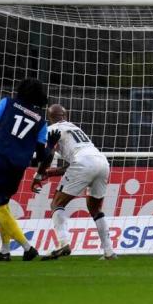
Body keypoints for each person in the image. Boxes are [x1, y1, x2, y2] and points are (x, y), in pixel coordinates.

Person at [0, 78, 59, 261]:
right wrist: (51, 144)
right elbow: (41, 156)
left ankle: (27, 247)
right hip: (18, 167)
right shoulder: (41, 121)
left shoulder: (7, 103)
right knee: (4, 204)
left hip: (0, 160)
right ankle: (5, 251)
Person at [32, 104, 116, 260]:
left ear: (50, 117)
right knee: (95, 209)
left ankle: (63, 243)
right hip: (102, 162)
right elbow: (77, 162)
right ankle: (109, 252)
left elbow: (49, 156)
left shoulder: (52, 130)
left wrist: (39, 174)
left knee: (56, 203)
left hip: (83, 163)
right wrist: (50, 174)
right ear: (66, 115)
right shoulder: (76, 128)